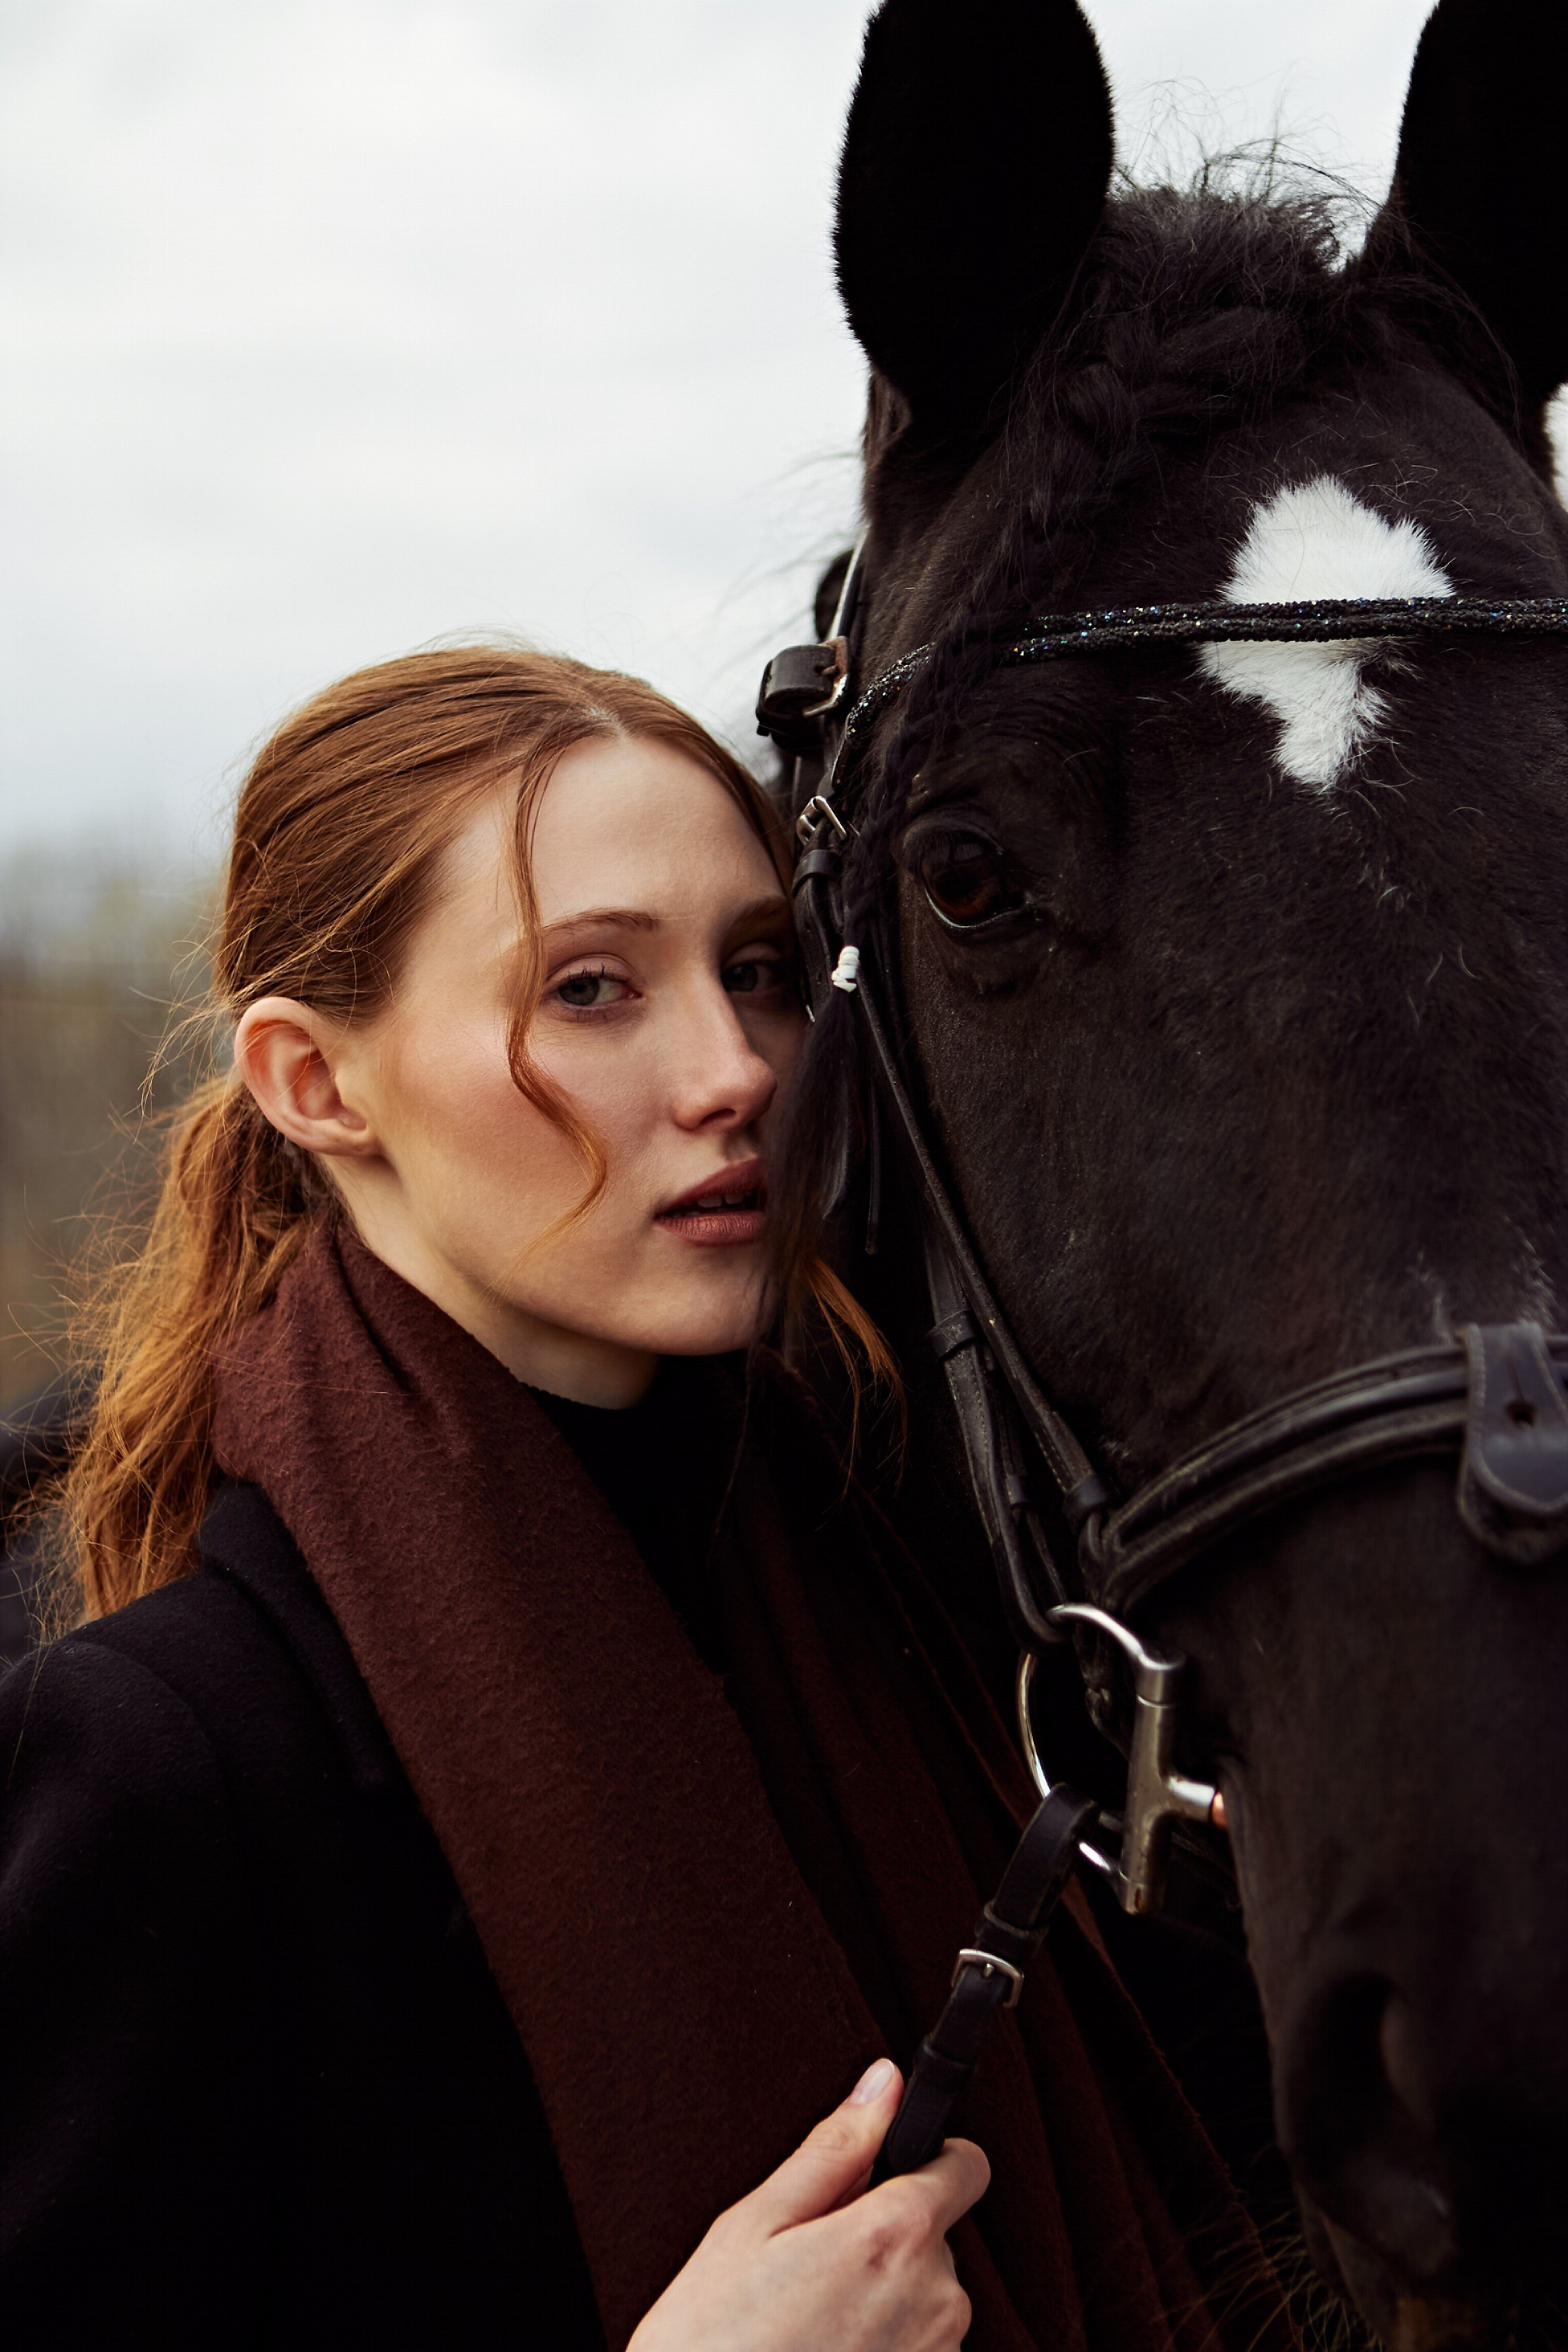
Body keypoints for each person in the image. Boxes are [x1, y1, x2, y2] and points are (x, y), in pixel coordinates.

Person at [0, 646, 1291, 2352]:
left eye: (762, 973)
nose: (740, 1070)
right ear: (315, 1081)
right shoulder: (170, 1749)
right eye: (591, 990)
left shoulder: (933, 1586)